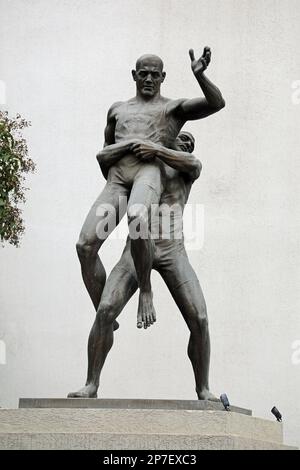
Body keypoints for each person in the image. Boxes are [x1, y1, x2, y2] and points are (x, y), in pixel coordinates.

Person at [76, 47, 225, 327]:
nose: (148, 79)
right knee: (84, 246)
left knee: (136, 216)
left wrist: (200, 76)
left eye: (154, 75)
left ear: (163, 77)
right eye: (143, 73)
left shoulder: (171, 110)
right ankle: (105, 314)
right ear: (134, 75)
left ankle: (146, 291)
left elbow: (216, 103)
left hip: (149, 184)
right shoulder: (117, 110)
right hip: (118, 181)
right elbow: (105, 152)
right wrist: (113, 165)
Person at [68, 132, 218, 401]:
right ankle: (91, 384)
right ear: (170, 137)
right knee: (105, 311)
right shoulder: (141, 171)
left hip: (173, 250)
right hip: (135, 251)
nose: (188, 143)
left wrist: (156, 148)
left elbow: (193, 162)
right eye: (183, 138)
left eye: (191, 142)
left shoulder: (186, 169)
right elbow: (110, 166)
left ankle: (203, 388)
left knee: (200, 319)